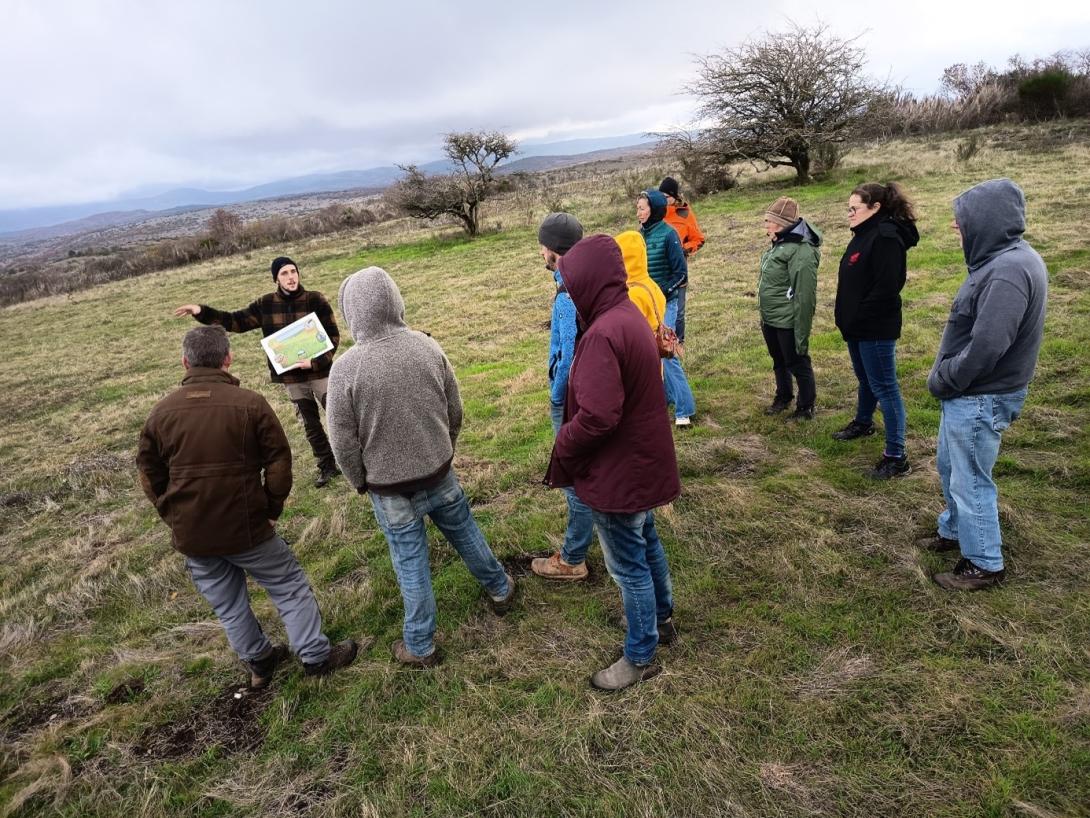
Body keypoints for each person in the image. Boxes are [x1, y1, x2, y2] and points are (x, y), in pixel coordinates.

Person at [136, 326, 358, 686]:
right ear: (228, 359)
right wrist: (272, 507)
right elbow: (279, 461)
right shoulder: (251, 404)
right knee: (288, 586)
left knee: (227, 605)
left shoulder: (160, 414)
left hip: (193, 535)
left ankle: (259, 661)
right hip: (249, 527)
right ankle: (315, 657)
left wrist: (172, 513)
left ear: (184, 362)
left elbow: (149, 474)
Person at [326, 266, 515, 667]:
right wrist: (443, 451)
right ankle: (501, 588)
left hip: (390, 489)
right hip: (439, 470)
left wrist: (361, 482)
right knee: (465, 531)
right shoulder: (428, 347)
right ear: (394, 299)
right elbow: (455, 410)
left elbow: (342, 443)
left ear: (351, 311)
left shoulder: (345, 369)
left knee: (411, 563)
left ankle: (420, 645)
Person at [545, 235, 680, 692]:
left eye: (571, 279)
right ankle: (661, 617)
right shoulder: (626, 315)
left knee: (628, 565)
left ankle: (640, 654)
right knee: (646, 540)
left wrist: (565, 441)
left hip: (618, 470)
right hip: (639, 460)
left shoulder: (603, 332)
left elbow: (600, 416)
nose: (567, 287)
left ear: (589, 280)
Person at [923, 179, 1047, 591]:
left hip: (980, 395)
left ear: (987, 222)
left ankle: (984, 563)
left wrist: (947, 377)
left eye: (962, 222)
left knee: (970, 478)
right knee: (950, 466)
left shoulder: (1008, 271)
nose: (955, 229)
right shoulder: (1001, 261)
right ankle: (956, 530)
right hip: (971, 393)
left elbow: (989, 345)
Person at [174, 256, 342, 488]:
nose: (291, 277)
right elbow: (235, 321)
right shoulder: (265, 305)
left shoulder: (316, 300)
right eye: (284, 273)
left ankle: (353, 456)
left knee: (338, 416)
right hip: (292, 378)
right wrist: (201, 311)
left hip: (320, 373)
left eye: (293, 271)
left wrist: (314, 363)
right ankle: (327, 465)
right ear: (276, 278)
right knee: (310, 423)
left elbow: (333, 337)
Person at [832, 182, 919, 479]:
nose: (849, 214)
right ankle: (863, 422)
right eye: (849, 208)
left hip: (875, 328)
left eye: (854, 208)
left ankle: (897, 457)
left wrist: (860, 316)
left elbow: (887, 287)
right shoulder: (864, 233)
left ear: (876, 207)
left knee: (885, 387)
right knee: (865, 380)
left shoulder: (885, 237)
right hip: (857, 327)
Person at [531, 213, 595, 582]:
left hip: (571, 399)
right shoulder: (587, 282)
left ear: (553, 250)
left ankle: (572, 557)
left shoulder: (567, 297)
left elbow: (568, 355)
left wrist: (557, 395)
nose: (540, 252)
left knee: (573, 478)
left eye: (543, 246)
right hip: (588, 394)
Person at [758, 197, 821, 420]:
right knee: (779, 359)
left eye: (768, 221)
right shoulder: (780, 242)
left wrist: (801, 333)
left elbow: (804, 296)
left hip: (787, 319)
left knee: (797, 361)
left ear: (782, 223)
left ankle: (806, 407)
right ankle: (783, 396)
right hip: (771, 317)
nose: (765, 225)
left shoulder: (800, 250)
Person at [638, 189, 696, 427]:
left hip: (666, 302)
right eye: (637, 208)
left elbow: (681, 273)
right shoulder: (641, 235)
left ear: (654, 209)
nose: (638, 212)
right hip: (647, 304)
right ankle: (666, 399)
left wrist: (660, 290)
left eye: (642, 208)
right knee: (653, 353)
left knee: (668, 352)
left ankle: (685, 410)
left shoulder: (669, 234)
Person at [659, 176, 706, 343]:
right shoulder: (655, 213)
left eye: (667, 197)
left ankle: (679, 344)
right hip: (657, 270)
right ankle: (660, 344)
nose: (664, 200)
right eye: (661, 196)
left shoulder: (684, 213)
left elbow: (699, 239)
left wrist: (681, 250)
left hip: (678, 271)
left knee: (678, 312)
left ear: (675, 196)